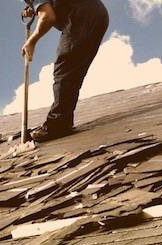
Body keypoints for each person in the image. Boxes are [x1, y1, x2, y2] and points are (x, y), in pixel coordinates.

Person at [21, 0, 109, 142]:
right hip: (97, 14)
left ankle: (58, 124)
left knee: (65, 70)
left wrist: (31, 42)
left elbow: (48, 17)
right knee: (71, 69)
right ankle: (62, 121)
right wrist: (36, 8)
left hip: (81, 16)